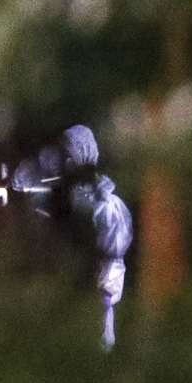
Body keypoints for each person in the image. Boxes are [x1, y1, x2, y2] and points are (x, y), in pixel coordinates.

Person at [50, 125, 133, 350]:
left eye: (67, 156)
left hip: (96, 301)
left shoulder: (109, 205)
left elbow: (114, 256)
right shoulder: (62, 202)